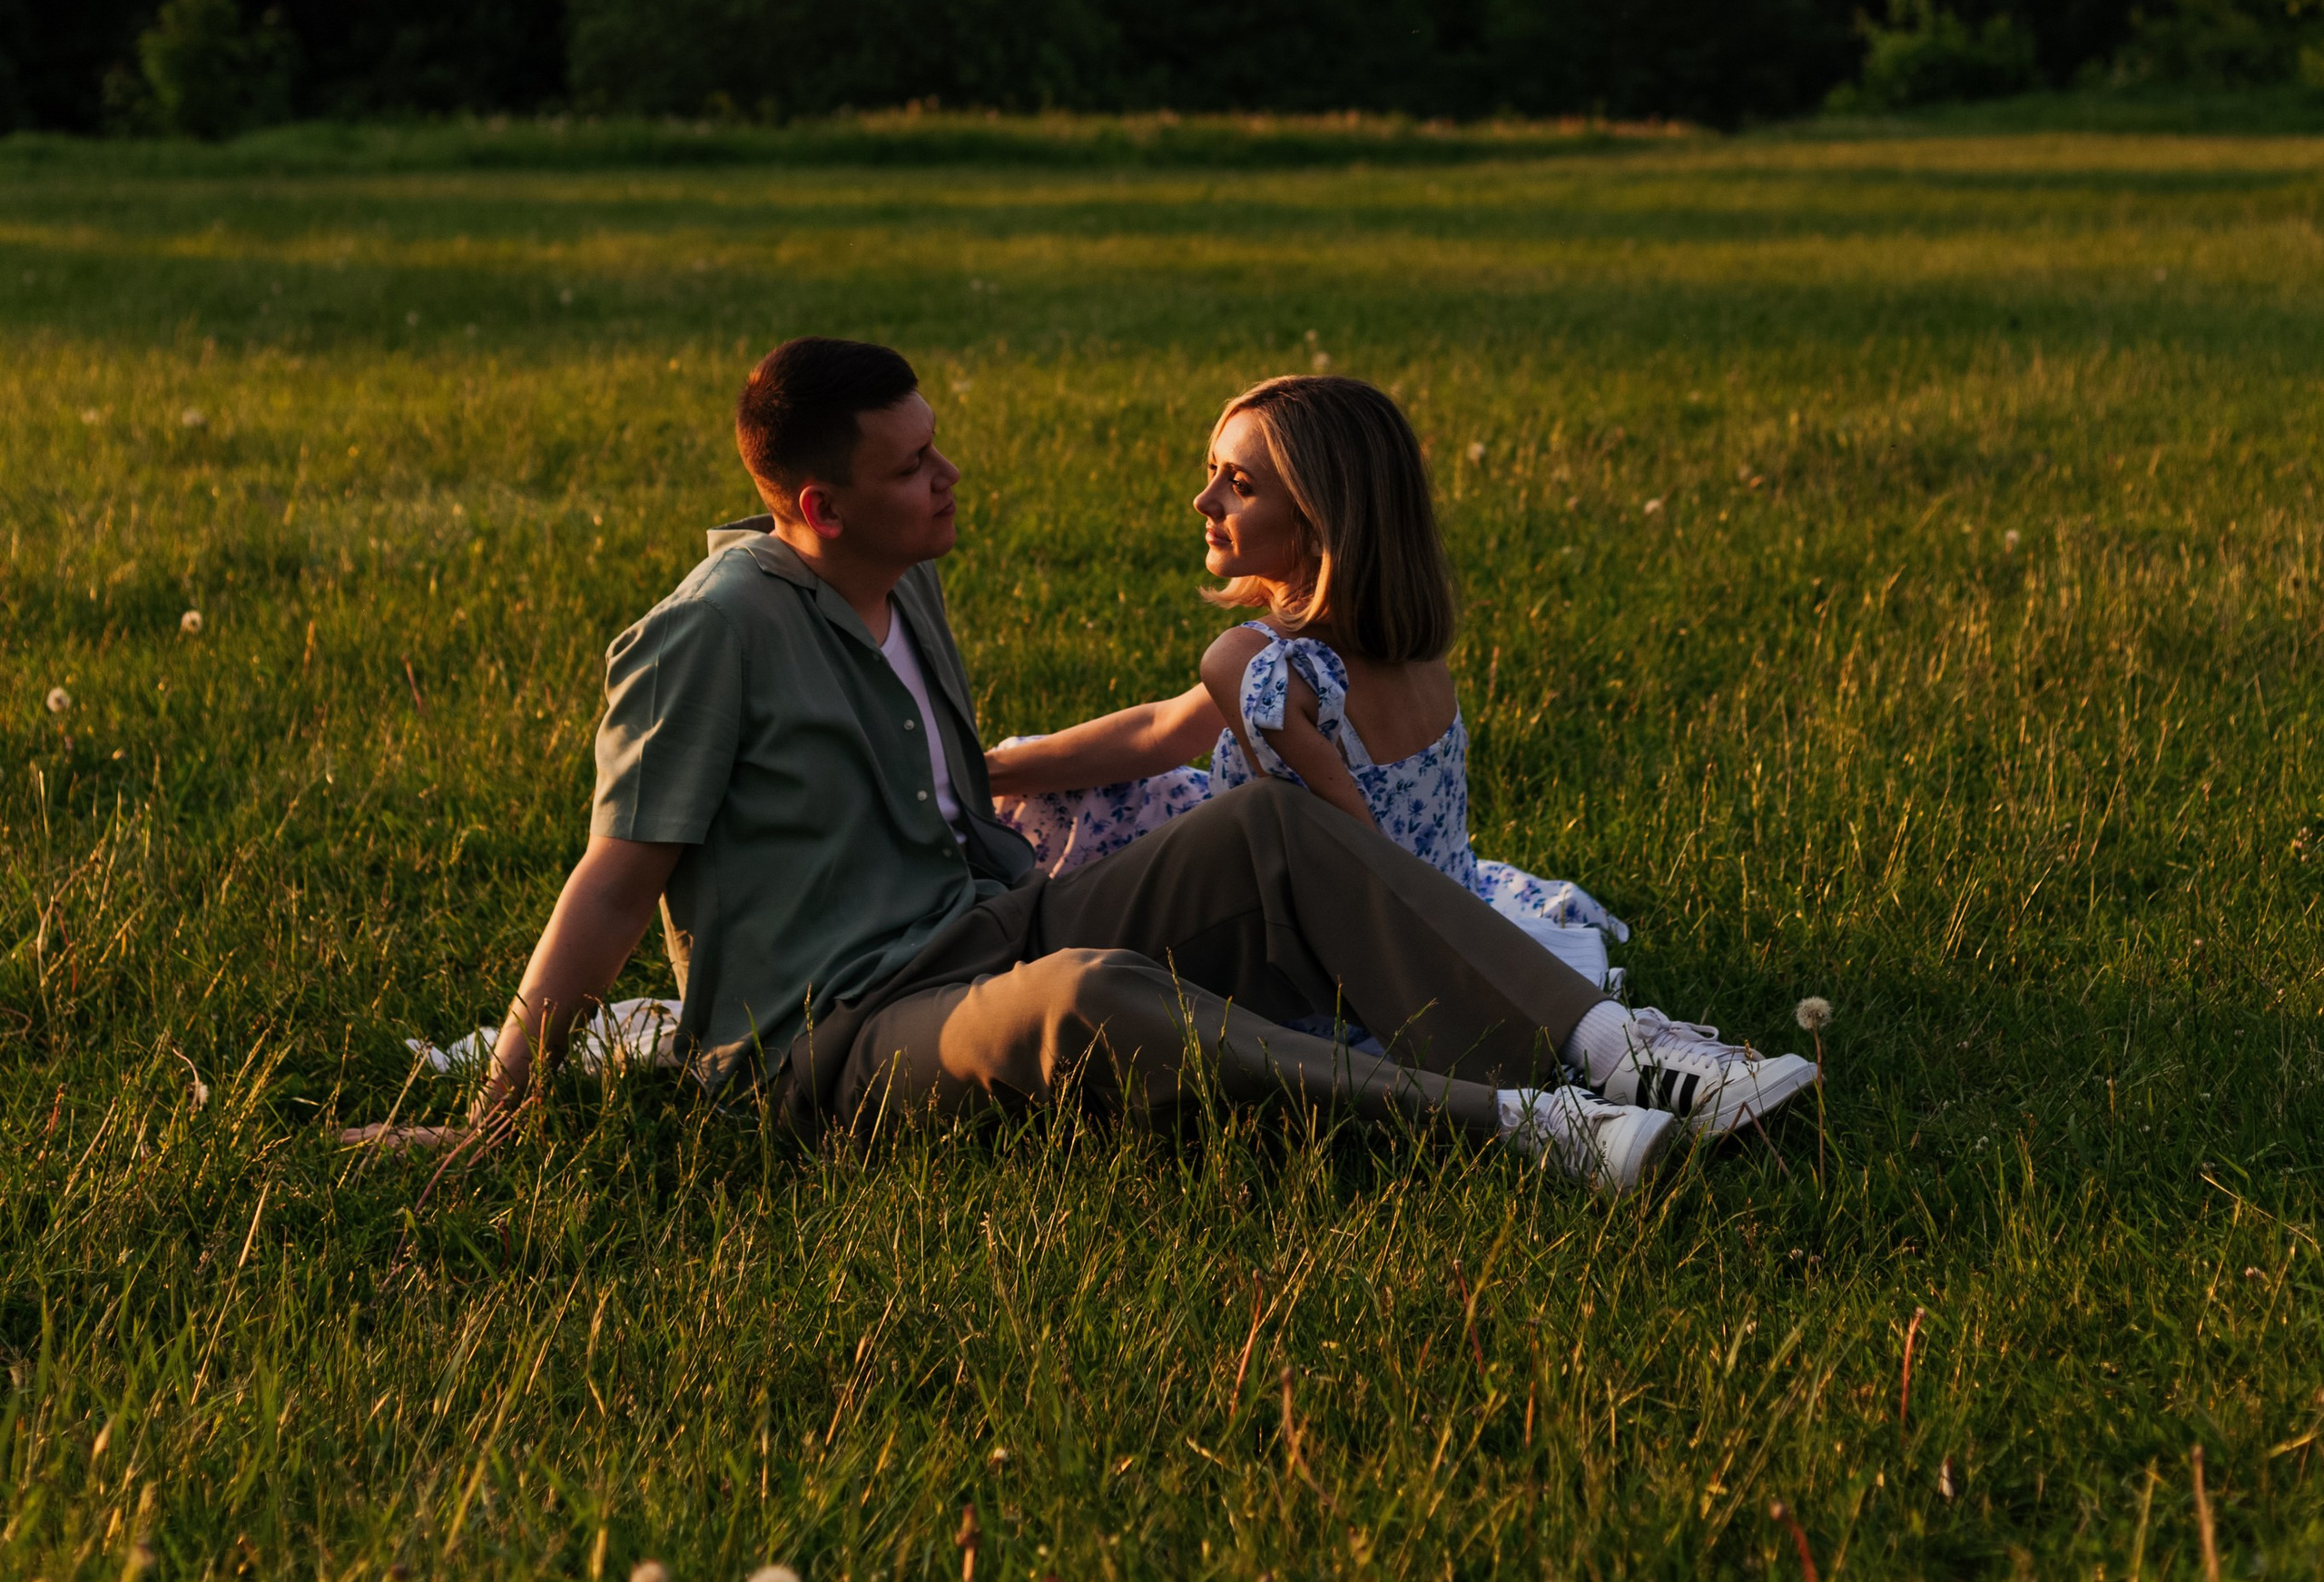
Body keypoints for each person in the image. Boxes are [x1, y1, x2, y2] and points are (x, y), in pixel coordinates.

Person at [345, 339, 1807, 1194]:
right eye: (912, 467)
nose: (947, 478)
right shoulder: (709, 638)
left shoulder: (901, 584)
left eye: (937, 448)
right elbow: (614, 880)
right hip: (826, 1040)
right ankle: (1534, 1130)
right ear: (816, 505)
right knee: (1086, 1002)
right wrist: (500, 1118)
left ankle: (1626, 1053)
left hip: (973, 924)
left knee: (1271, 834)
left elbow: (977, 780)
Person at [987, 372, 1631, 988]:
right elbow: (1161, 731)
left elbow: (1358, 869)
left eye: (1239, 484)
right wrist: (982, 769)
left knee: (1050, 815)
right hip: (1445, 885)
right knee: (1041, 771)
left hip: (1333, 955)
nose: (1204, 500)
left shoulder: (1255, 663)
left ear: (1319, 520)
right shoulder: (1407, 642)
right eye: (1212, 470)